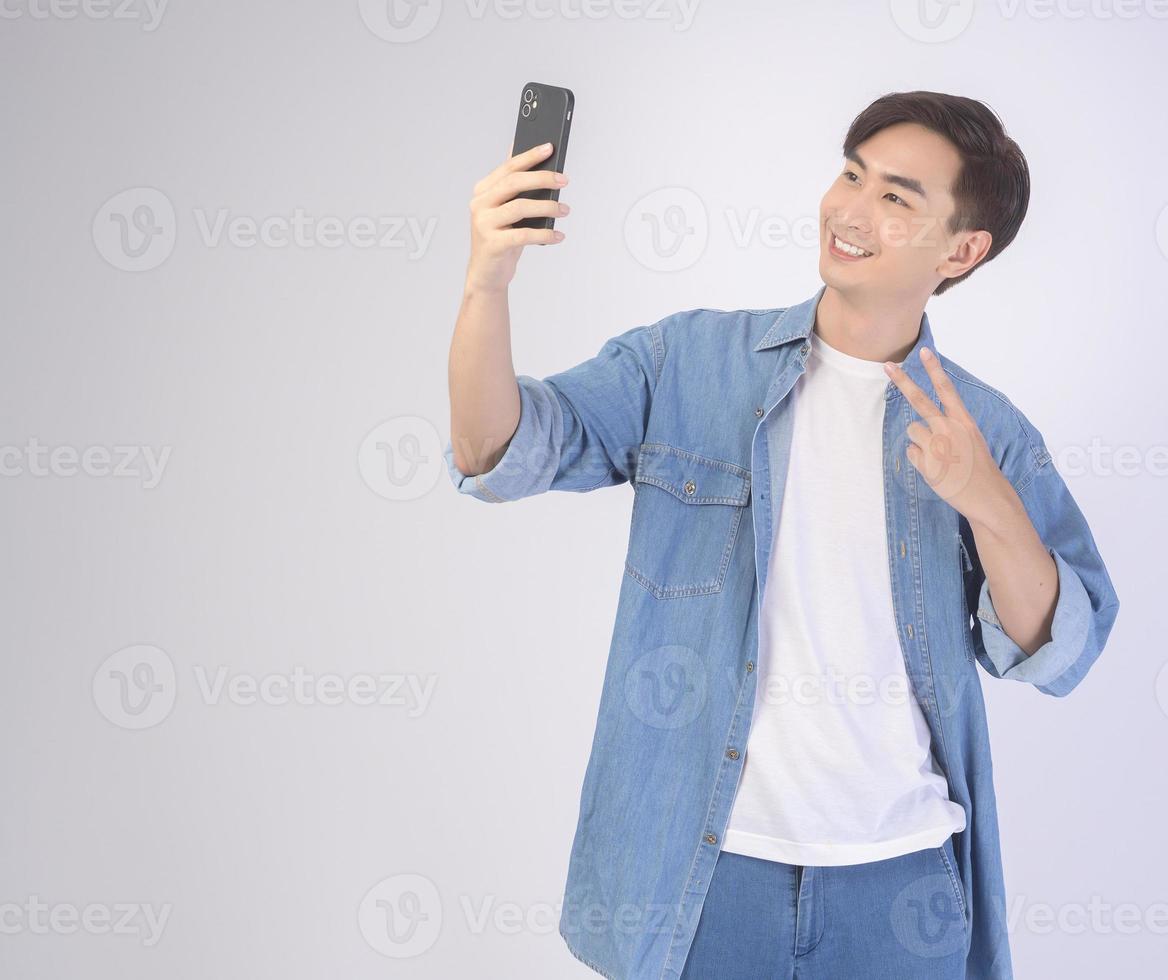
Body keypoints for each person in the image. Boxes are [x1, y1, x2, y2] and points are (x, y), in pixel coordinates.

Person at [444, 90, 1120, 980]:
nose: (849, 210)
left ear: (961, 250)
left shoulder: (984, 429)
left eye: (895, 197)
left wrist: (986, 500)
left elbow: (1055, 649)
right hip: (705, 875)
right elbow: (499, 449)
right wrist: (485, 284)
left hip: (898, 888)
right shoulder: (687, 362)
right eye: (851, 175)